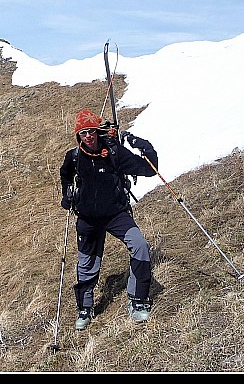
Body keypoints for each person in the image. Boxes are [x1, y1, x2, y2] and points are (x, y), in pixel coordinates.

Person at [59, 109, 159, 330]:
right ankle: (85, 309)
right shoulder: (74, 157)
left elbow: (149, 170)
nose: (89, 136)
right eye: (84, 133)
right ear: (79, 136)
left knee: (140, 246)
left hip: (116, 215)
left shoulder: (115, 153)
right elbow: (65, 174)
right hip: (88, 219)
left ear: (97, 132)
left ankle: (138, 300)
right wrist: (67, 194)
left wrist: (144, 146)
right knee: (86, 264)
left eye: (92, 132)